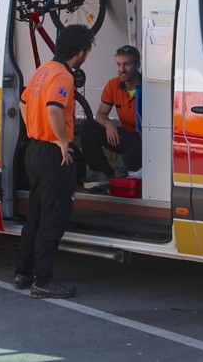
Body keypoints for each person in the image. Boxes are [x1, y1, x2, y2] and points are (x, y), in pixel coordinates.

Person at [14, 24, 95, 299]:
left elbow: (24, 102)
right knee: (53, 218)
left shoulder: (43, 70)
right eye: (88, 51)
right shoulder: (63, 76)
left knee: (35, 215)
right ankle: (43, 280)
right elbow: (54, 108)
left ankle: (23, 273)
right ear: (81, 52)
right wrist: (62, 142)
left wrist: (33, 128)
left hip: (34, 150)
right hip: (52, 154)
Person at [78, 45, 142, 187]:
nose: (121, 69)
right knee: (87, 127)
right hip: (125, 136)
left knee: (130, 158)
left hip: (144, 138)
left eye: (126, 64)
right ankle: (104, 173)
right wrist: (108, 124)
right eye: (118, 64)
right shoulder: (113, 85)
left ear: (137, 65)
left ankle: (130, 170)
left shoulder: (147, 87)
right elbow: (100, 114)